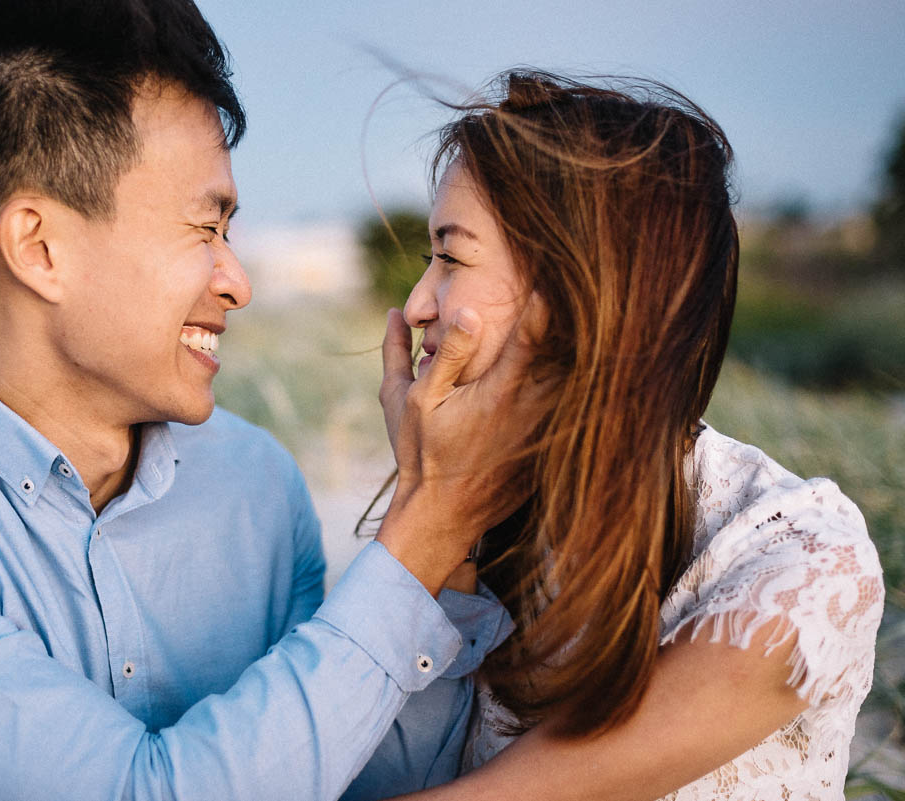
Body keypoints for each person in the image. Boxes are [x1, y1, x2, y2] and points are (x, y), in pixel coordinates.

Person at [0, 2, 519, 799]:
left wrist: (445, 548)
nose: (237, 282)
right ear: (39, 248)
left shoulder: (256, 483)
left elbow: (360, 777)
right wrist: (428, 521)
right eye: (204, 228)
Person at [375, 72, 885, 801]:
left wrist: (434, 498)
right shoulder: (490, 518)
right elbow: (385, 767)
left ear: (578, 290)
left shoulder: (796, 555)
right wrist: (431, 506)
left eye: (451, 257)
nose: (419, 303)